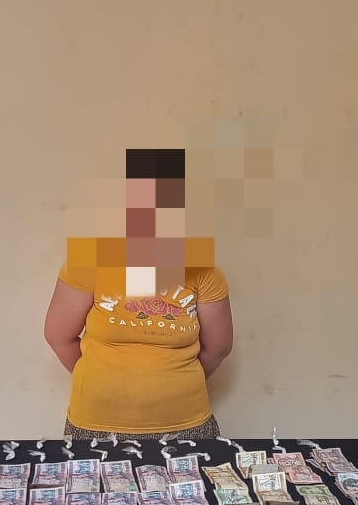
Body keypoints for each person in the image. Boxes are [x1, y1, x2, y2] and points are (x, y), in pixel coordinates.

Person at [44, 149, 233, 441]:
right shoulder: (88, 261)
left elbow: (218, 348)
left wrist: (173, 386)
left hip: (186, 424)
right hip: (95, 424)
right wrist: (103, 383)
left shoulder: (203, 270)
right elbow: (59, 337)